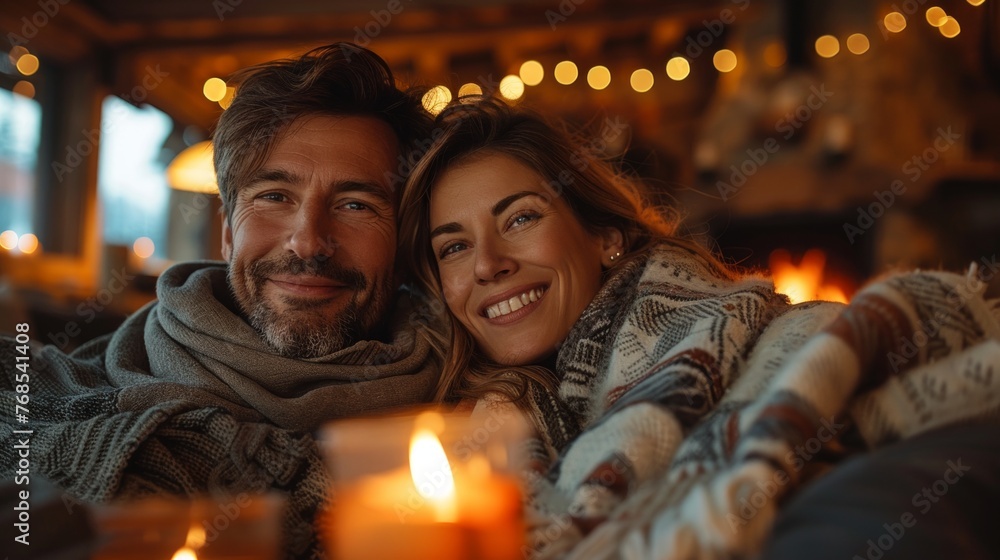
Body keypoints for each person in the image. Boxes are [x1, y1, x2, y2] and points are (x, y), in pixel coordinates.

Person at [398, 96, 1000, 559]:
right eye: (452, 248)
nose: (486, 264)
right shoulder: (473, 441)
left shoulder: (736, 326)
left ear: (604, 236)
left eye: (521, 217)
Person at [1, 42, 440, 558]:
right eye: (274, 196)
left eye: (355, 203)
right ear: (228, 232)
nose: (307, 241)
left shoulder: (470, 404)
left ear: (404, 244)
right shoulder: (47, 400)